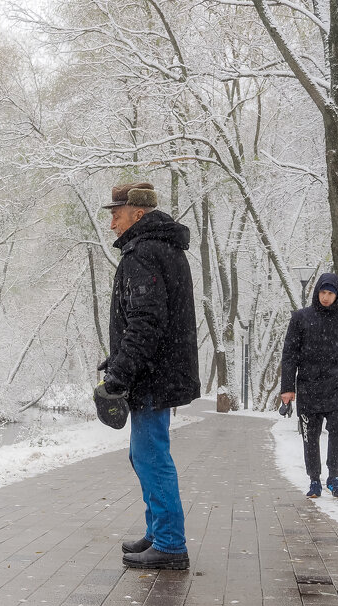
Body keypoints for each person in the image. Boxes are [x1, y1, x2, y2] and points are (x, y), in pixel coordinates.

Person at [100, 182, 200, 570]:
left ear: (136, 214)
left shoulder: (142, 253)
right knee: (144, 454)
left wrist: (120, 374)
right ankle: (158, 532)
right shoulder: (164, 249)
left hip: (152, 375)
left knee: (151, 456)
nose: (111, 223)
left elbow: (145, 322)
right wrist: (118, 361)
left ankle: (171, 544)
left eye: (116, 214)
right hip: (161, 370)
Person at [279, 272, 338, 499]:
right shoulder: (301, 318)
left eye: (331, 293)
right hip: (308, 386)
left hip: (336, 387)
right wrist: (287, 388)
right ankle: (314, 479)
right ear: (317, 292)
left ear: (337, 295)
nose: (326, 297)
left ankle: (334, 477)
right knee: (310, 435)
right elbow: (289, 354)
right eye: (323, 292)